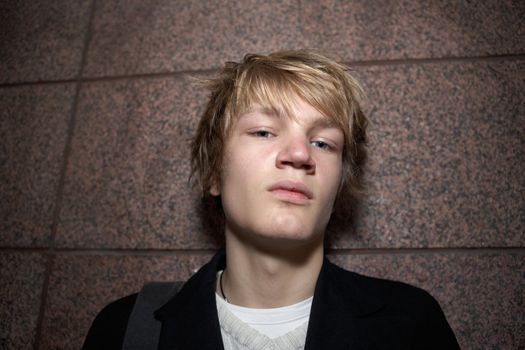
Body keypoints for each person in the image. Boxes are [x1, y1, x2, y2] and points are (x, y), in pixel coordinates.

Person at [83, 50, 460, 349]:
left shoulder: (411, 325)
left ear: (338, 185)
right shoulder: (124, 329)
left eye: (323, 142)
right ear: (214, 172)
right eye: (264, 132)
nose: (299, 154)